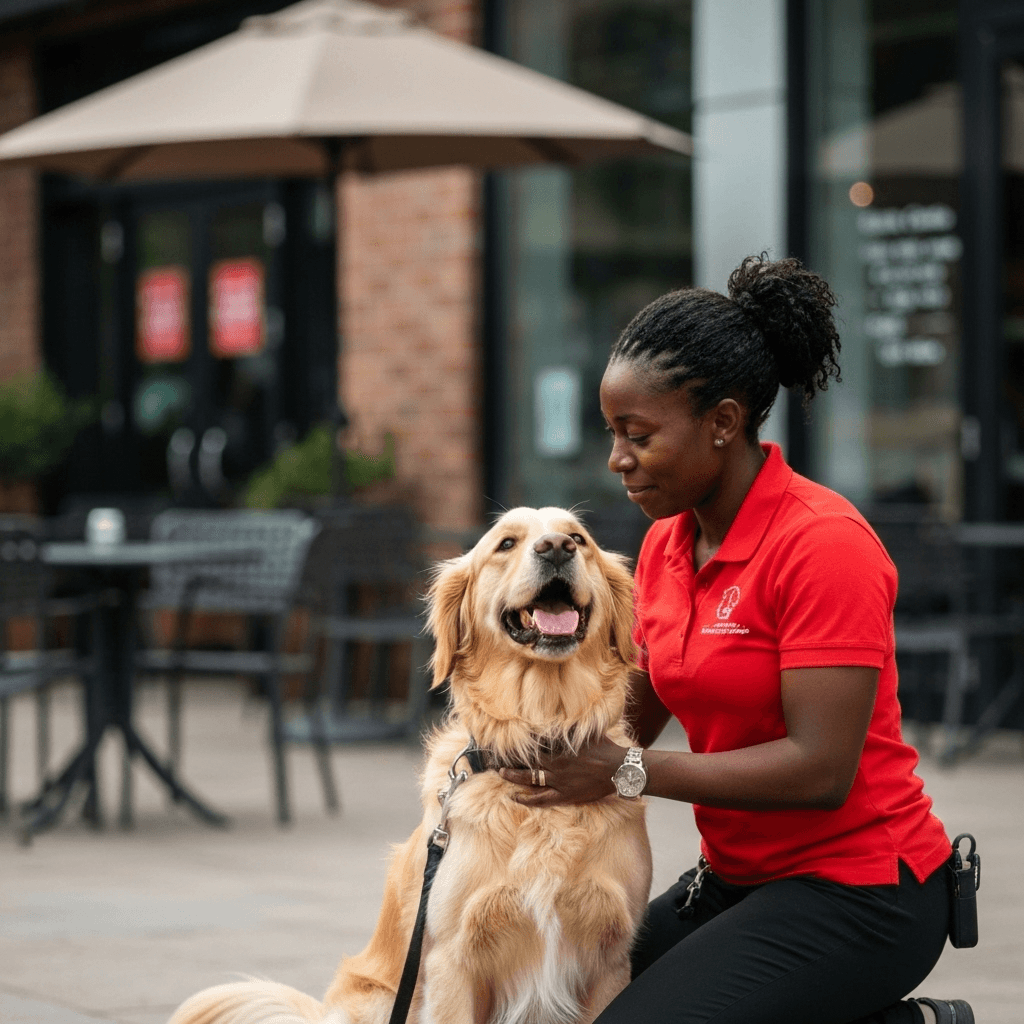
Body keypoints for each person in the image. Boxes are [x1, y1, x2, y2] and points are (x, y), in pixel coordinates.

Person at [499, 255, 972, 1024]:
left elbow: (820, 770)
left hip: (863, 891)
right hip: (736, 879)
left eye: (638, 434)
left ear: (723, 423)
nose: (617, 459)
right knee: (555, 1002)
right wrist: (509, 756)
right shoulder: (665, 547)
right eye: (612, 433)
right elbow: (625, 716)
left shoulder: (823, 544)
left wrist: (623, 772)